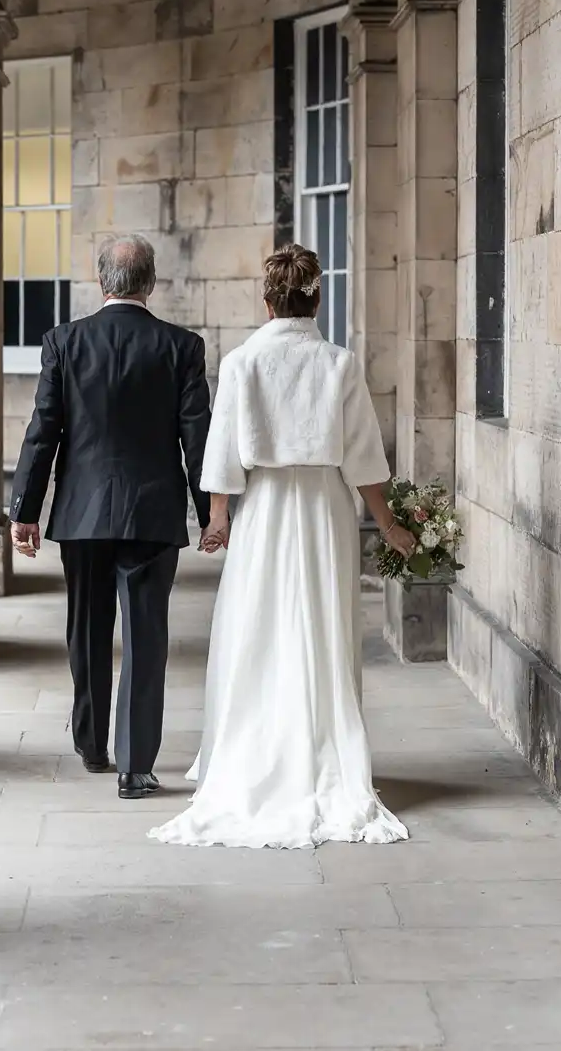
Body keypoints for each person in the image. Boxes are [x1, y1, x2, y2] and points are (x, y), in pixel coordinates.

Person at [150, 243, 416, 849]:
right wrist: (391, 525)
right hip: (323, 508)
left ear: (267, 299)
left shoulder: (244, 361)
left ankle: (254, 750)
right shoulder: (339, 363)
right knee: (322, 628)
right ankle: (322, 749)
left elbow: (220, 453)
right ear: (315, 298)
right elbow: (364, 459)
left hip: (265, 510)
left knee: (258, 627)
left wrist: (218, 519)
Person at [7, 234, 212, 800]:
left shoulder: (64, 342)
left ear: (102, 283)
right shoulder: (181, 347)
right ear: (150, 283)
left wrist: (24, 509)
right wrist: (211, 513)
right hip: (152, 513)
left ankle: (93, 744)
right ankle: (135, 766)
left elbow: (42, 429)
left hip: (82, 513)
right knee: (147, 638)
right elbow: (198, 439)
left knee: (88, 629)